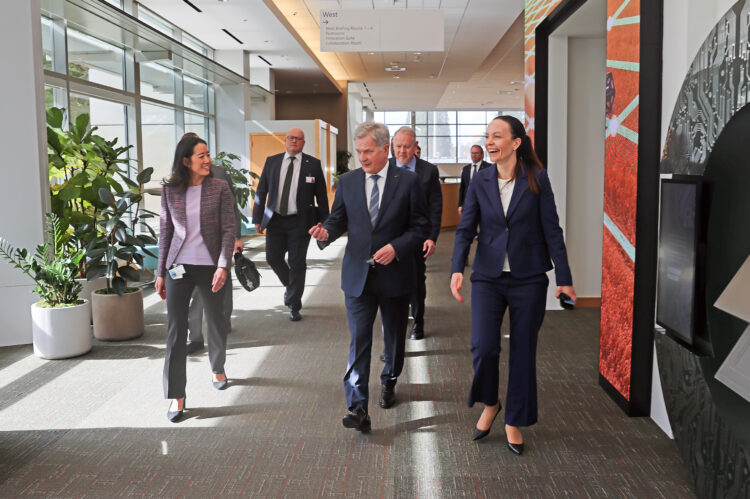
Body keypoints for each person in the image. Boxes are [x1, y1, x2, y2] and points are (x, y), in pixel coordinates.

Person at [449, 116, 576, 455]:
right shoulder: (481, 180)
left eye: (497, 136)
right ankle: (490, 403)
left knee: (523, 352)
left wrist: (564, 279)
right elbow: (465, 229)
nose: (490, 141)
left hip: (529, 278)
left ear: (516, 142)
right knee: (483, 346)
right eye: (487, 136)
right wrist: (457, 267)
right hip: (488, 277)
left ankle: (513, 420)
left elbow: (552, 230)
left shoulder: (537, 178)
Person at [309, 122, 428, 432]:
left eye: (368, 151)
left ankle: (389, 379)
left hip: (396, 275)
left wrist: (396, 248)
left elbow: (420, 228)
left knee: (393, 338)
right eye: (359, 151)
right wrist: (326, 233)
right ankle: (358, 407)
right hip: (358, 275)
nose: (361, 157)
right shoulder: (347, 181)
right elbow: (337, 220)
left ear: (385, 150)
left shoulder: (409, 182)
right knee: (358, 341)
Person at [155, 134, 236, 423]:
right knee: (176, 331)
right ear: (186, 161)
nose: (207, 160)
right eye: (201, 156)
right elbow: (165, 232)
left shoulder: (220, 188)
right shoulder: (170, 190)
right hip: (179, 267)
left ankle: (217, 367)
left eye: (208, 154)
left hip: (211, 266)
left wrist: (223, 265)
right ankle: (177, 396)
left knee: (216, 320)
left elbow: (229, 229)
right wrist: (161, 272)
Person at [252, 128, 329, 321]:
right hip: (276, 220)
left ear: (303, 143)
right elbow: (261, 192)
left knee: (297, 262)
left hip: (300, 222)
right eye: (290, 138)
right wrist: (257, 218)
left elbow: (321, 195)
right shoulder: (272, 161)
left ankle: (294, 303)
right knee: (273, 258)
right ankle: (291, 286)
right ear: (285, 140)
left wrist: (325, 221)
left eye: (298, 139)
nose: (294, 141)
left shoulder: (313, 164)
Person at [180, 133, 244, 355]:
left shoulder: (219, 174)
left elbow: (232, 207)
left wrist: (236, 236)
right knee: (193, 295)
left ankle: (222, 322)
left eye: (205, 153)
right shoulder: (178, 180)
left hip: (217, 244)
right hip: (188, 250)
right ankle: (195, 337)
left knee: (221, 288)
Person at [390, 127, 442, 340]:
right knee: (389, 282)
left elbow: (435, 207)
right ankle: (392, 329)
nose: (402, 151)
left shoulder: (428, 171)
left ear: (415, 146)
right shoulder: (384, 168)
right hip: (389, 238)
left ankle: (417, 322)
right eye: (398, 146)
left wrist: (432, 236)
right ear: (392, 147)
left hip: (417, 238)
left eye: (406, 146)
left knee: (416, 282)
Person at [458, 145, 492, 216]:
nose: (474, 155)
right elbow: (462, 188)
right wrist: (460, 205)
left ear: (482, 154)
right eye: (472, 153)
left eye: (476, 153)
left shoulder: (489, 168)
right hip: (468, 204)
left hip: (484, 205)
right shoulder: (466, 169)